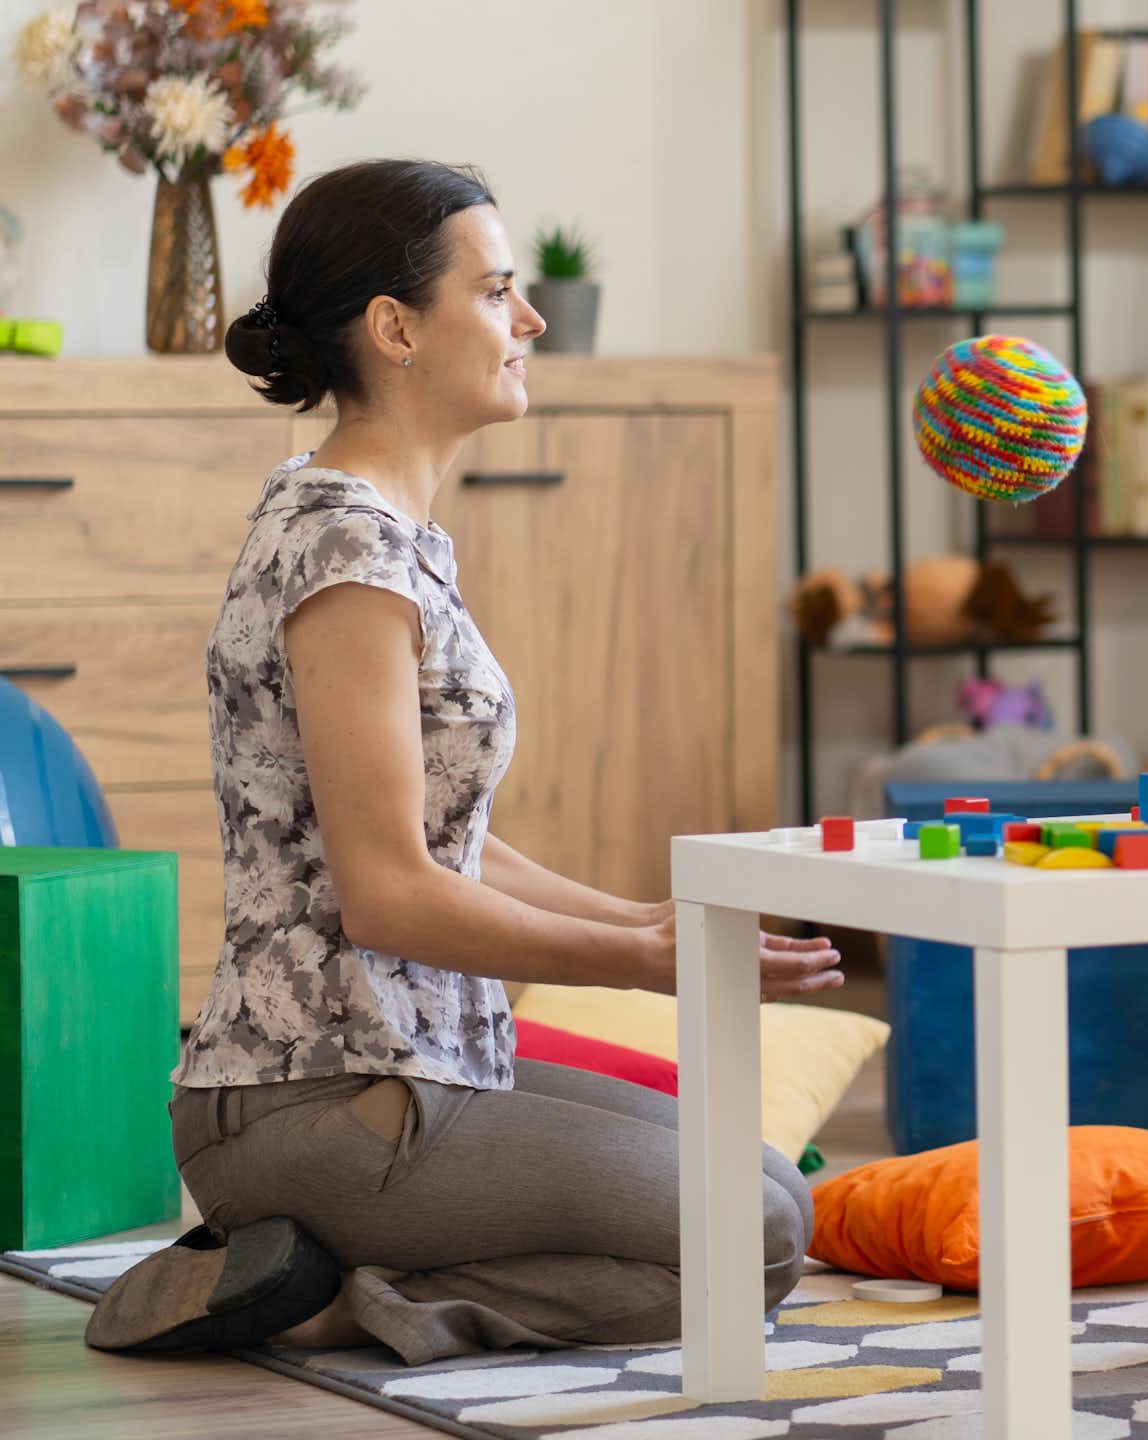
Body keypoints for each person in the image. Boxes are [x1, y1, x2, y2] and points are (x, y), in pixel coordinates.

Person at [85, 159, 845, 1362]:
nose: (530, 320)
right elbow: (392, 892)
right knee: (745, 1235)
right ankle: (335, 1302)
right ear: (394, 329)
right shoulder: (346, 555)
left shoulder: (380, 531)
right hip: (312, 1095)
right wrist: (640, 964)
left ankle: (300, 1267)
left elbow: (449, 839)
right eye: (496, 292)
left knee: (773, 1187)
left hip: (418, 1060)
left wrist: (654, 920)